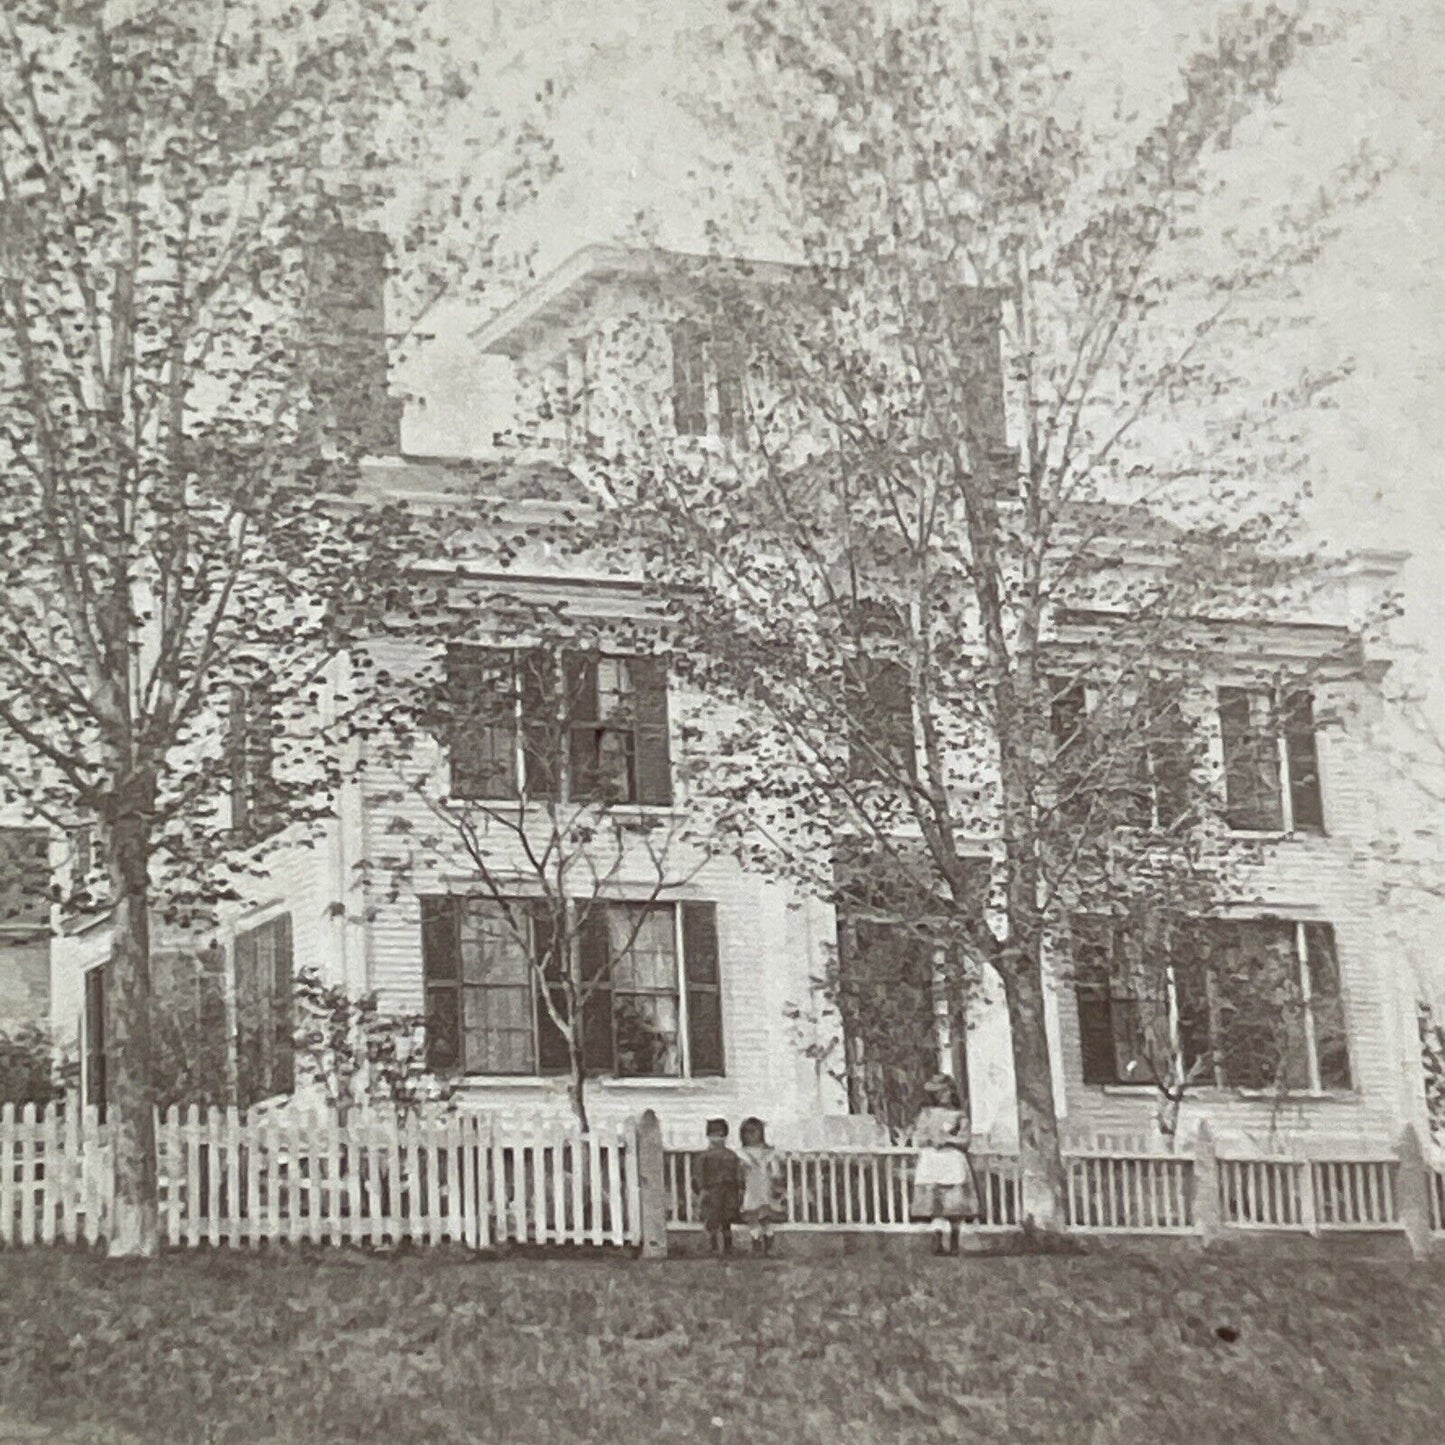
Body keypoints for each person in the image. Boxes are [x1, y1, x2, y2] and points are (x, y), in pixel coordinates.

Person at [909, 1073, 978, 1255]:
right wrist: (932, 1139)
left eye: (947, 1091)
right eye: (940, 1092)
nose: (945, 1095)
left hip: (952, 1160)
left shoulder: (959, 1115)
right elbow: (920, 1137)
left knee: (954, 1204)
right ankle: (937, 1240)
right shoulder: (927, 1114)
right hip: (933, 1160)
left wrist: (949, 1140)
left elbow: (964, 1140)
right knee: (935, 1202)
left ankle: (954, 1241)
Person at [695, 1117, 743, 1257]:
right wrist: (702, 1189)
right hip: (712, 1192)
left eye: (720, 1135)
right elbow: (700, 1175)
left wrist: (739, 1189)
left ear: (725, 1136)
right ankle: (713, 1246)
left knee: (726, 1221)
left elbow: (737, 1174)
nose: (716, 1138)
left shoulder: (731, 1155)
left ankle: (727, 1246)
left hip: (728, 1192)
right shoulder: (705, 1156)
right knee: (712, 1221)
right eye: (713, 1135)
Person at [737, 1116, 783, 1256]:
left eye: (753, 1131)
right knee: (752, 1217)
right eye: (747, 1132)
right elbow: (739, 1173)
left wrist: (777, 1185)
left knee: (765, 1217)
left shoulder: (769, 1153)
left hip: (764, 1188)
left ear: (761, 1133)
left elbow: (775, 1172)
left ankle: (769, 1241)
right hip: (750, 1189)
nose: (750, 1135)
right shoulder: (742, 1153)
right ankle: (756, 1241)